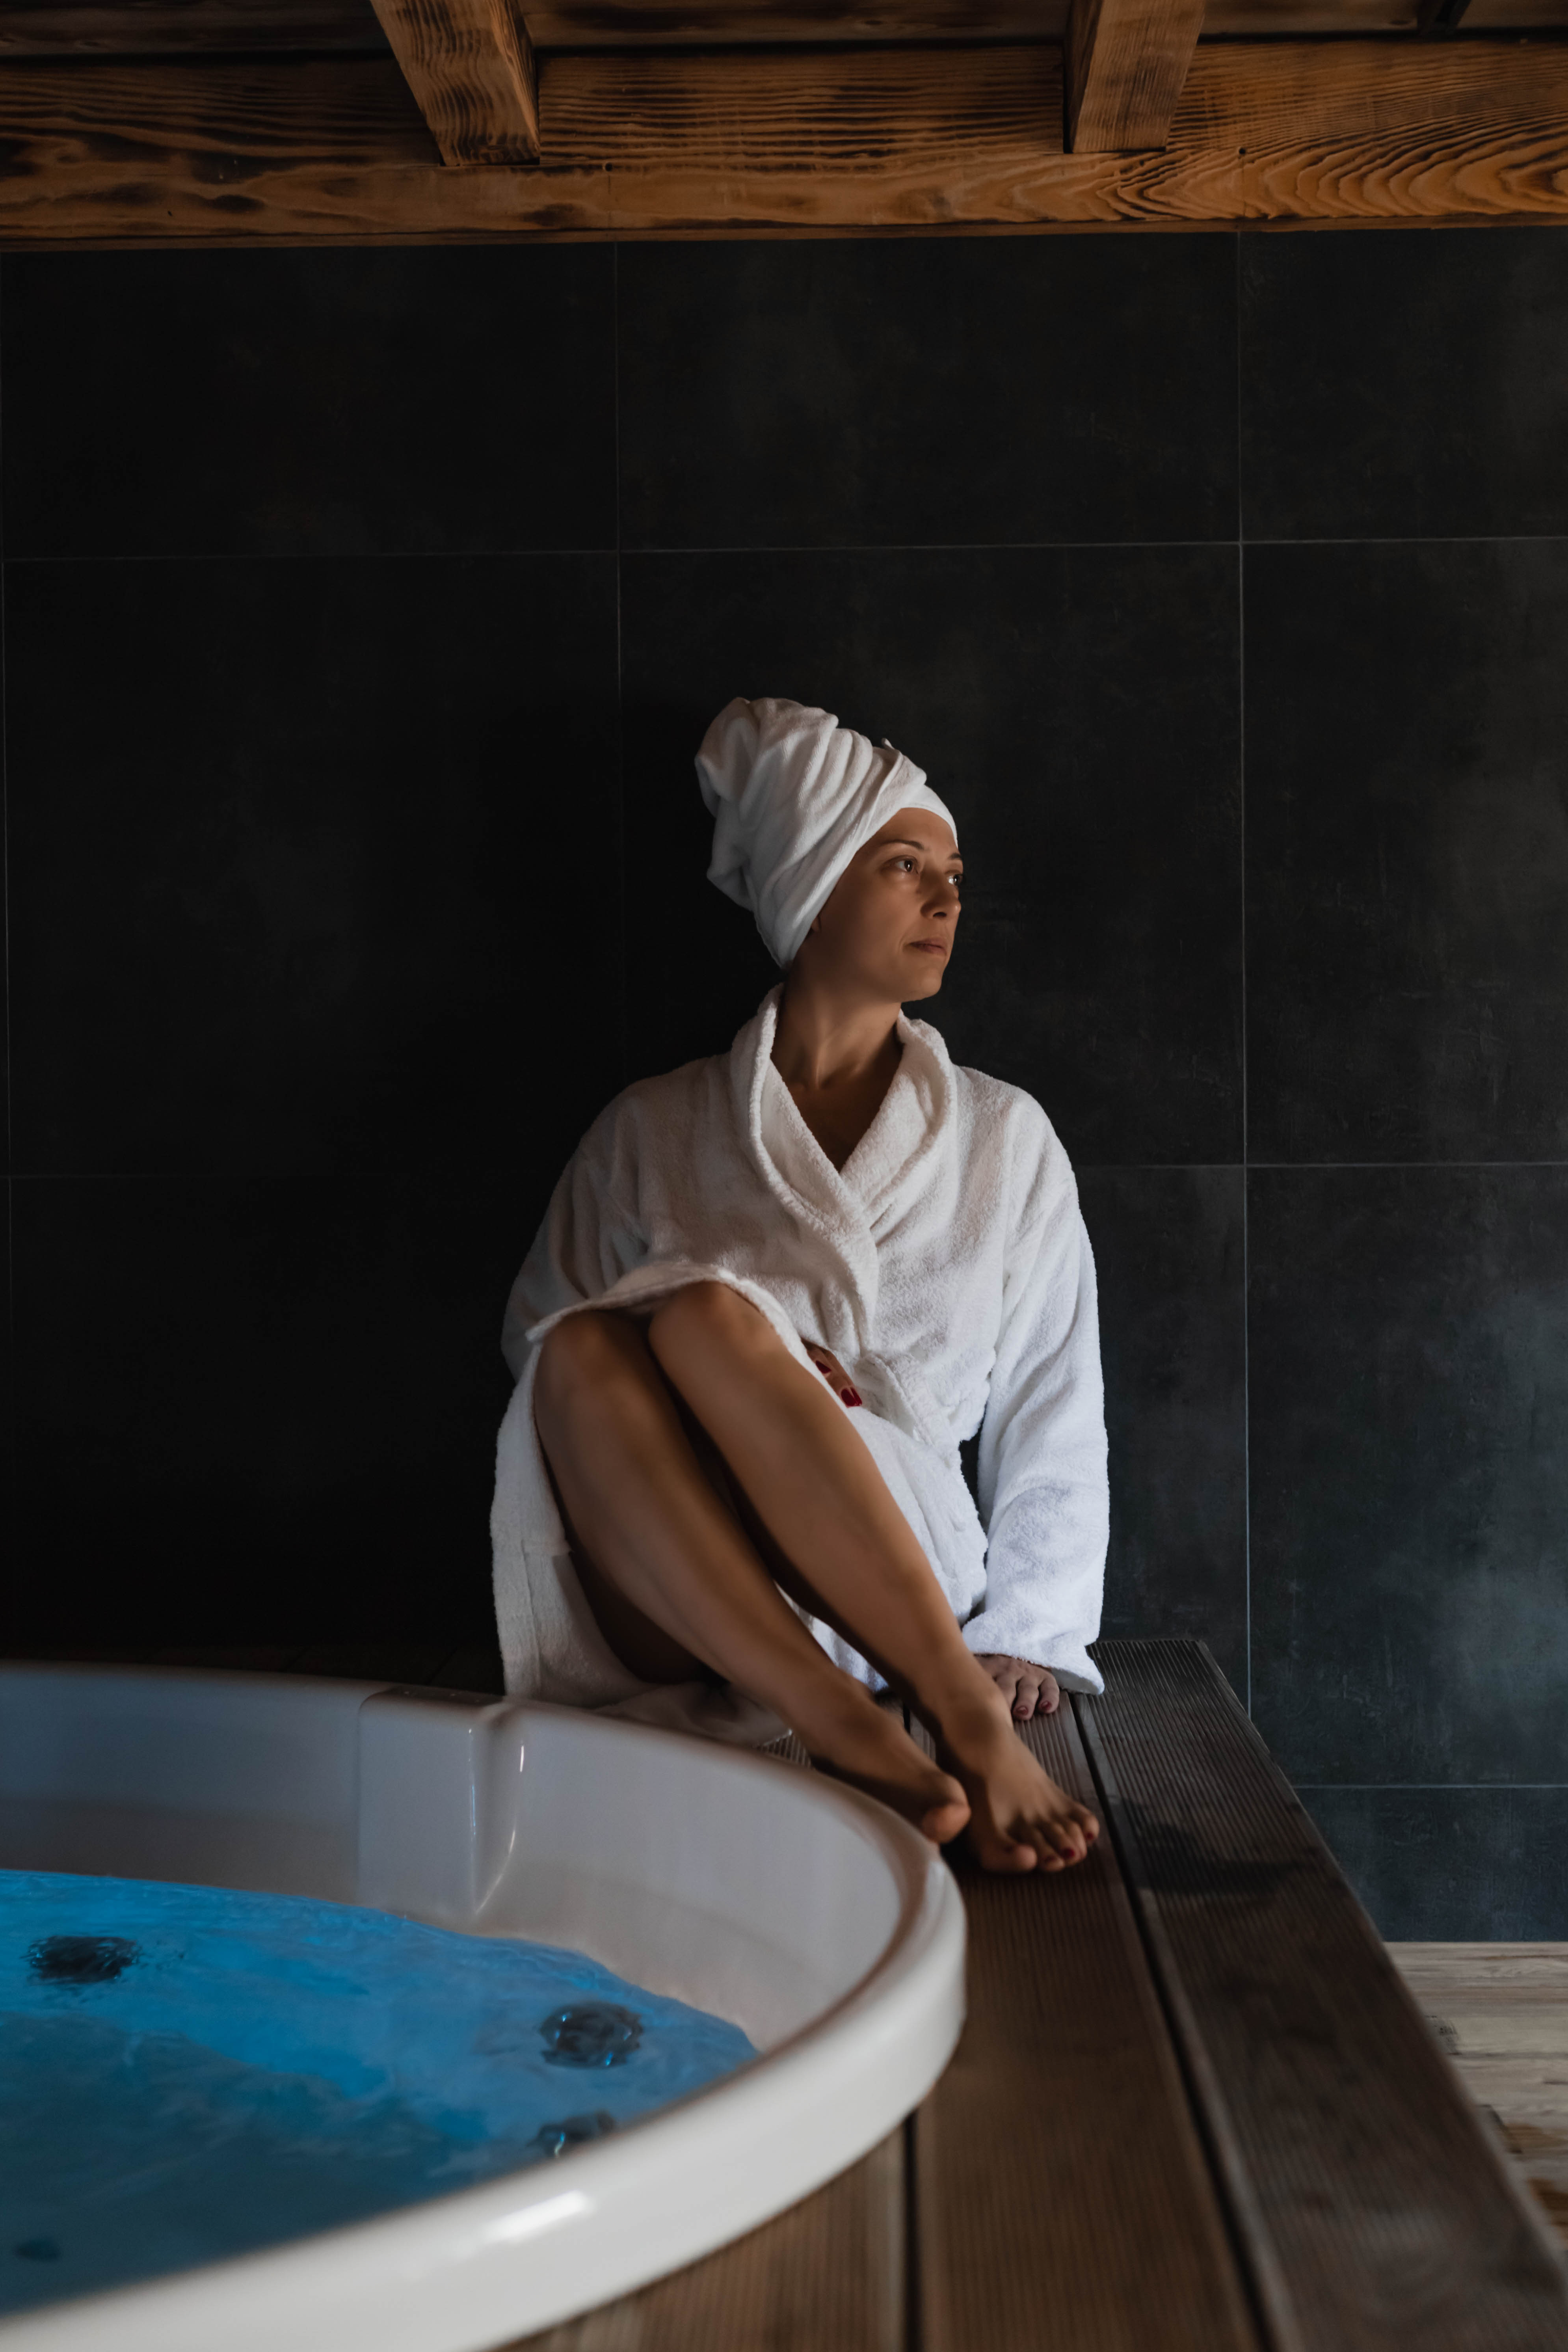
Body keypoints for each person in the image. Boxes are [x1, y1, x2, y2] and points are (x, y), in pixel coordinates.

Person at [491, 697, 1107, 1874]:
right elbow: (539, 1356)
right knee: (586, 1345)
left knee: (710, 1316)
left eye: (954, 876)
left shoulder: (1001, 1136)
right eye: (904, 866)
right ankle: (844, 1729)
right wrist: (732, 1371)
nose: (946, 901)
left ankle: (960, 1718)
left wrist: (1031, 1627)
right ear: (813, 888)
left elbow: (1053, 1398)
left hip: (896, 1567)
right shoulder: (650, 1128)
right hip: (677, 1579)